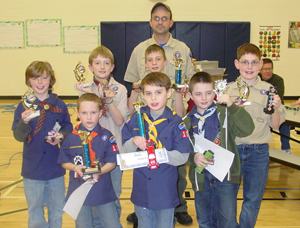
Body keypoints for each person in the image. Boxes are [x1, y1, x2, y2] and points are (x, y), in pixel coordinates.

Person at [124, 2, 195, 223]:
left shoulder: (182, 48)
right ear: (150, 21)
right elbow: (133, 86)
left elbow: (188, 82)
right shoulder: (139, 49)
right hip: (146, 117)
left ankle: (178, 206)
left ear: (171, 21)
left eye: (165, 18)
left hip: (173, 116)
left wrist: (180, 94)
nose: (160, 21)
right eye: (156, 18)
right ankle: (141, 207)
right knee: (143, 168)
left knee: (176, 173)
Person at [183, 72, 254, 228]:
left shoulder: (224, 113)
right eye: (198, 94)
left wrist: (232, 105)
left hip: (225, 177)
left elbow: (248, 129)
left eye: (208, 93)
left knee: (227, 221)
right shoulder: (186, 121)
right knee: (204, 221)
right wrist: (193, 157)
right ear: (190, 95)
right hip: (200, 177)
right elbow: (183, 150)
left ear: (215, 93)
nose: (204, 98)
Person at [226, 43, 285, 228]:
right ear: (237, 64)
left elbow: (275, 125)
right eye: (245, 62)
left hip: (258, 152)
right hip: (233, 150)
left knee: (252, 199)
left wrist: (275, 108)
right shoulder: (227, 91)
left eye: (254, 62)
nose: (249, 67)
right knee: (227, 198)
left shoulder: (269, 91)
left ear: (260, 65)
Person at [122, 72, 191, 228]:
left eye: (158, 92)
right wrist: (133, 142)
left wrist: (159, 154)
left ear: (168, 93)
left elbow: (183, 156)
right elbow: (124, 152)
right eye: (148, 93)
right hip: (142, 188)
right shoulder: (136, 118)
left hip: (165, 189)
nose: (153, 98)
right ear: (143, 96)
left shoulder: (175, 122)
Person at [12, 61, 73, 227]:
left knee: (57, 209)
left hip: (55, 168)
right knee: (35, 210)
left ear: (51, 80)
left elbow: (68, 127)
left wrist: (61, 136)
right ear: (28, 81)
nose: (39, 82)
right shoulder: (23, 107)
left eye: (44, 78)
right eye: (35, 78)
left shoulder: (59, 106)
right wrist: (24, 122)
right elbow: (18, 136)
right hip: (32, 170)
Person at [75, 46, 129, 227]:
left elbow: (120, 121)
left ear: (112, 67)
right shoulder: (84, 89)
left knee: (114, 193)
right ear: (90, 67)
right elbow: (83, 119)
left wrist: (109, 101)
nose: (102, 67)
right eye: (97, 63)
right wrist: (84, 94)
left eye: (106, 63)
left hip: (114, 151)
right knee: (93, 192)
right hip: (91, 150)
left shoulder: (120, 89)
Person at [58, 93, 122, 228]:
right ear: (78, 114)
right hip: (78, 189)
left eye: (93, 112)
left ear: (100, 113)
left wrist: (99, 171)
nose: (88, 117)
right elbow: (64, 161)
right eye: (84, 113)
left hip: (102, 189)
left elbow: (112, 162)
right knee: (82, 224)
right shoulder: (71, 137)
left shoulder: (106, 135)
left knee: (112, 224)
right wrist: (75, 168)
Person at [128, 44, 188, 117]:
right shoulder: (139, 86)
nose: (154, 63)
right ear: (145, 64)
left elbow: (179, 115)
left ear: (165, 62)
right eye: (150, 60)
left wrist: (178, 94)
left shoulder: (172, 86)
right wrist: (135, 92)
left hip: (167, 126)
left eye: (158, 59)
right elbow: (129, 112)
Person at [259, 58, 291, 154]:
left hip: (276, 108)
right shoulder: (257, 79)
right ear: (260, 69)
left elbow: (279, 98)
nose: (268, 71)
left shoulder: (278, 80)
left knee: (285, 123)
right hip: (261, 110)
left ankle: (286, 149)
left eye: (270, 68)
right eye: (265, 69)